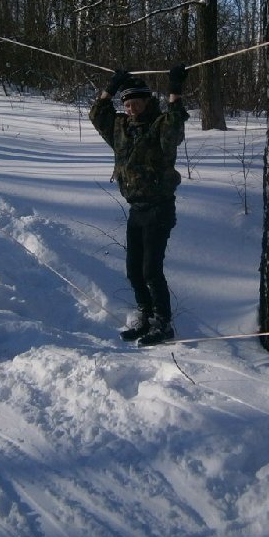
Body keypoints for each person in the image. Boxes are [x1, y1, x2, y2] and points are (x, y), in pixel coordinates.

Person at [90, 65, 189, 346]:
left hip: (159, 207)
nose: (131, 108)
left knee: (151, 270)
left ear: (147, 101)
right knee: (134, 270)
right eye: (127, 104)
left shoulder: (159, 125)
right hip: (136, 209)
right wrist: (111, 87)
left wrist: (175, 90)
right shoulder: (120, 128)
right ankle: (145, 316)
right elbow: (98, 114)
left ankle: (163, 323)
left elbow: (174, 129)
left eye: (136, 103)